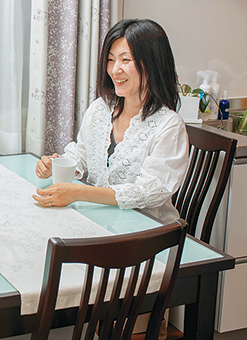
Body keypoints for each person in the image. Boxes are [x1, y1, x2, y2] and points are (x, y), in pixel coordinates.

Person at [33, 19, 188, 222]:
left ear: (153, 64)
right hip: (101, 222)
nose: (115, 70)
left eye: (126, 60)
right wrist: (55, 164)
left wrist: (79, 192)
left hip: (147, 236)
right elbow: (82, 153)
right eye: (111, 59)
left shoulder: (169, 126)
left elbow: (148, 192)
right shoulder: (101, 108)